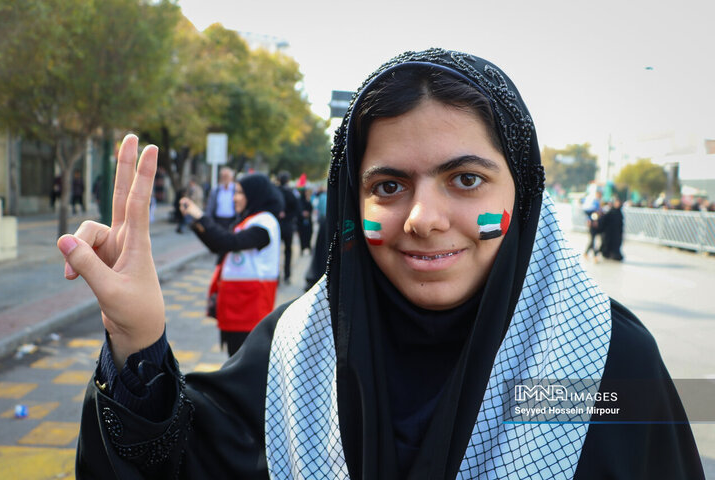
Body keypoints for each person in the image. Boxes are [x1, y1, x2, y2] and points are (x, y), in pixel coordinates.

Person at [59, 50, 703, 479]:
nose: (423, 217)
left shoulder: (601, 364)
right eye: (389, 187)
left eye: (467, 180)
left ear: (523, 194)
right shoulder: (298, 354)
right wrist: (138, 341)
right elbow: (185, 458)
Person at [179, 172, 282, 356]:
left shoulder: (265, 223)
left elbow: (228, 242)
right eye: (235, 192)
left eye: (240, 193)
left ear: (255, 194)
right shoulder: (248, 220)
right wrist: (196, 222)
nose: (235, 198)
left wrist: (201, 216)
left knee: (243, 369)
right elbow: (218, 245)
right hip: (237, 308)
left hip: (251, 311)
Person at [276, 171, 299, 283]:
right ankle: (287, 275)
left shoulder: (275, 192)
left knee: (276, 251)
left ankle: (277, 274)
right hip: (287, 225)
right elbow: (296, 209)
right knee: (288, 250)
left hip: (278, 225)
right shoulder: (291, 193)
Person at [297, 187, 314, 254]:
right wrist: (302, 213)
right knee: (302, 235)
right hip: (301, 222)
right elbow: (298, 209)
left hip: (308, 221)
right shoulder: (299, 200)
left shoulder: (308, 200)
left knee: (309, 234)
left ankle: (308, 247)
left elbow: (311, 208)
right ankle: (302, 248)